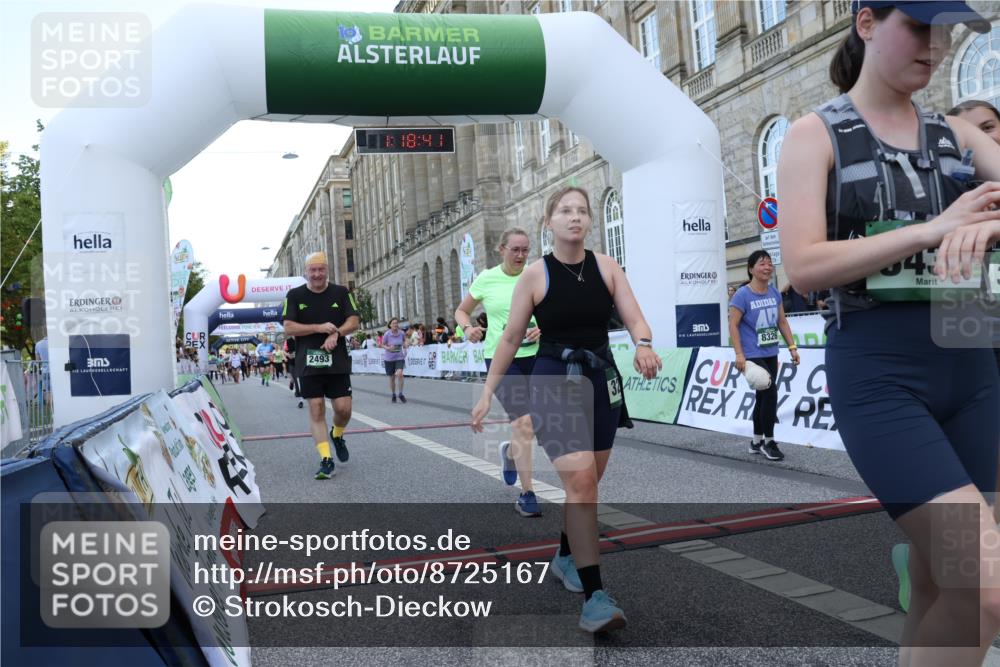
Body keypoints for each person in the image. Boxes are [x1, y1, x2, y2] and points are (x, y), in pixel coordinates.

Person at [777, 2, 1000, 662]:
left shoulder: (957, 133)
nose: (935, 43)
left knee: (938, 582)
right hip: (881, 377)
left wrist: (989, 224)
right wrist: (933, 228)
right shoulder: (813, 135)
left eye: (944, 29)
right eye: (918, 25)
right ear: (866, 23)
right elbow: (804, 265)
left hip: (973, 367)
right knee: (984, 585)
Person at [471, 187, 661, 633]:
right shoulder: (535, 275)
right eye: (564, 211)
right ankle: (596, 597)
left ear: (590, 222)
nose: (574, 218)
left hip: (601, 378)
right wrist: (486, 392)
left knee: (588, 485)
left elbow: (634, 315)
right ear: (548, 222)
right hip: (554, 379)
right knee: (581, 483)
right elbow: (512, 338)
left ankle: (564, 554)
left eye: (581, 211)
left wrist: (644, 344)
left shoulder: (607, 267)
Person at [457, 227, 543, 517]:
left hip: (536, 355)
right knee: (524, 423)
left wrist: (543, 327)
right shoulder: (486, 278)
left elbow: (553, 313)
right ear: (501, 250)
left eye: (525, 250)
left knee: (534, 424)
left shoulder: (536, 274)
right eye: (515, 249)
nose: (520, 255)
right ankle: (528, 493)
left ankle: (509, 454)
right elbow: (460, 311)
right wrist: (467, 328)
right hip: (500, 358)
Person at [283, 252, 360, 480]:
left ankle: (337, 434)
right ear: (306, 272)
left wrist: (336, 332)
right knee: (316, 408)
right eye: (312, 270)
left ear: (327, 270)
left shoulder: (341, 292)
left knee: (343, 409)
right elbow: (288, 327)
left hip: (336, 360)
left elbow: (354, 321)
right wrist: (318, 328)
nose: (317, 274)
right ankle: (326, 459)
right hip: (308, 361)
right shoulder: (295, 295)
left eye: (321, 269)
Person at [729, 251, 800, 461]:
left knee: (762, 396)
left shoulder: (774, 293)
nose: (767, 267)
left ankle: (755, 441)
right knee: (770, 393)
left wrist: (792, 347)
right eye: (762, 264)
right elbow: (732, 324)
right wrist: (739, 354)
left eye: (770, 264)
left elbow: (782, 322)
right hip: (751, 354)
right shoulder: (743, 294)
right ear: (751, 269)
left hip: (771, 352)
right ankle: (769, 442)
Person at [381, 317, 408, 403]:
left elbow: (404, 341)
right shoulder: (387, 334)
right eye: (393, 323)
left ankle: (400, 393)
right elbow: (382, 344)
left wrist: (405, 344)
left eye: (396, 323)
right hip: (389, 359)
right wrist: (388, 348)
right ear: (390, 325)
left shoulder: (401, 333)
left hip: (399, 357)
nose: (395, 325)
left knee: (400, 374)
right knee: (392, 378)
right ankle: (393, 394)